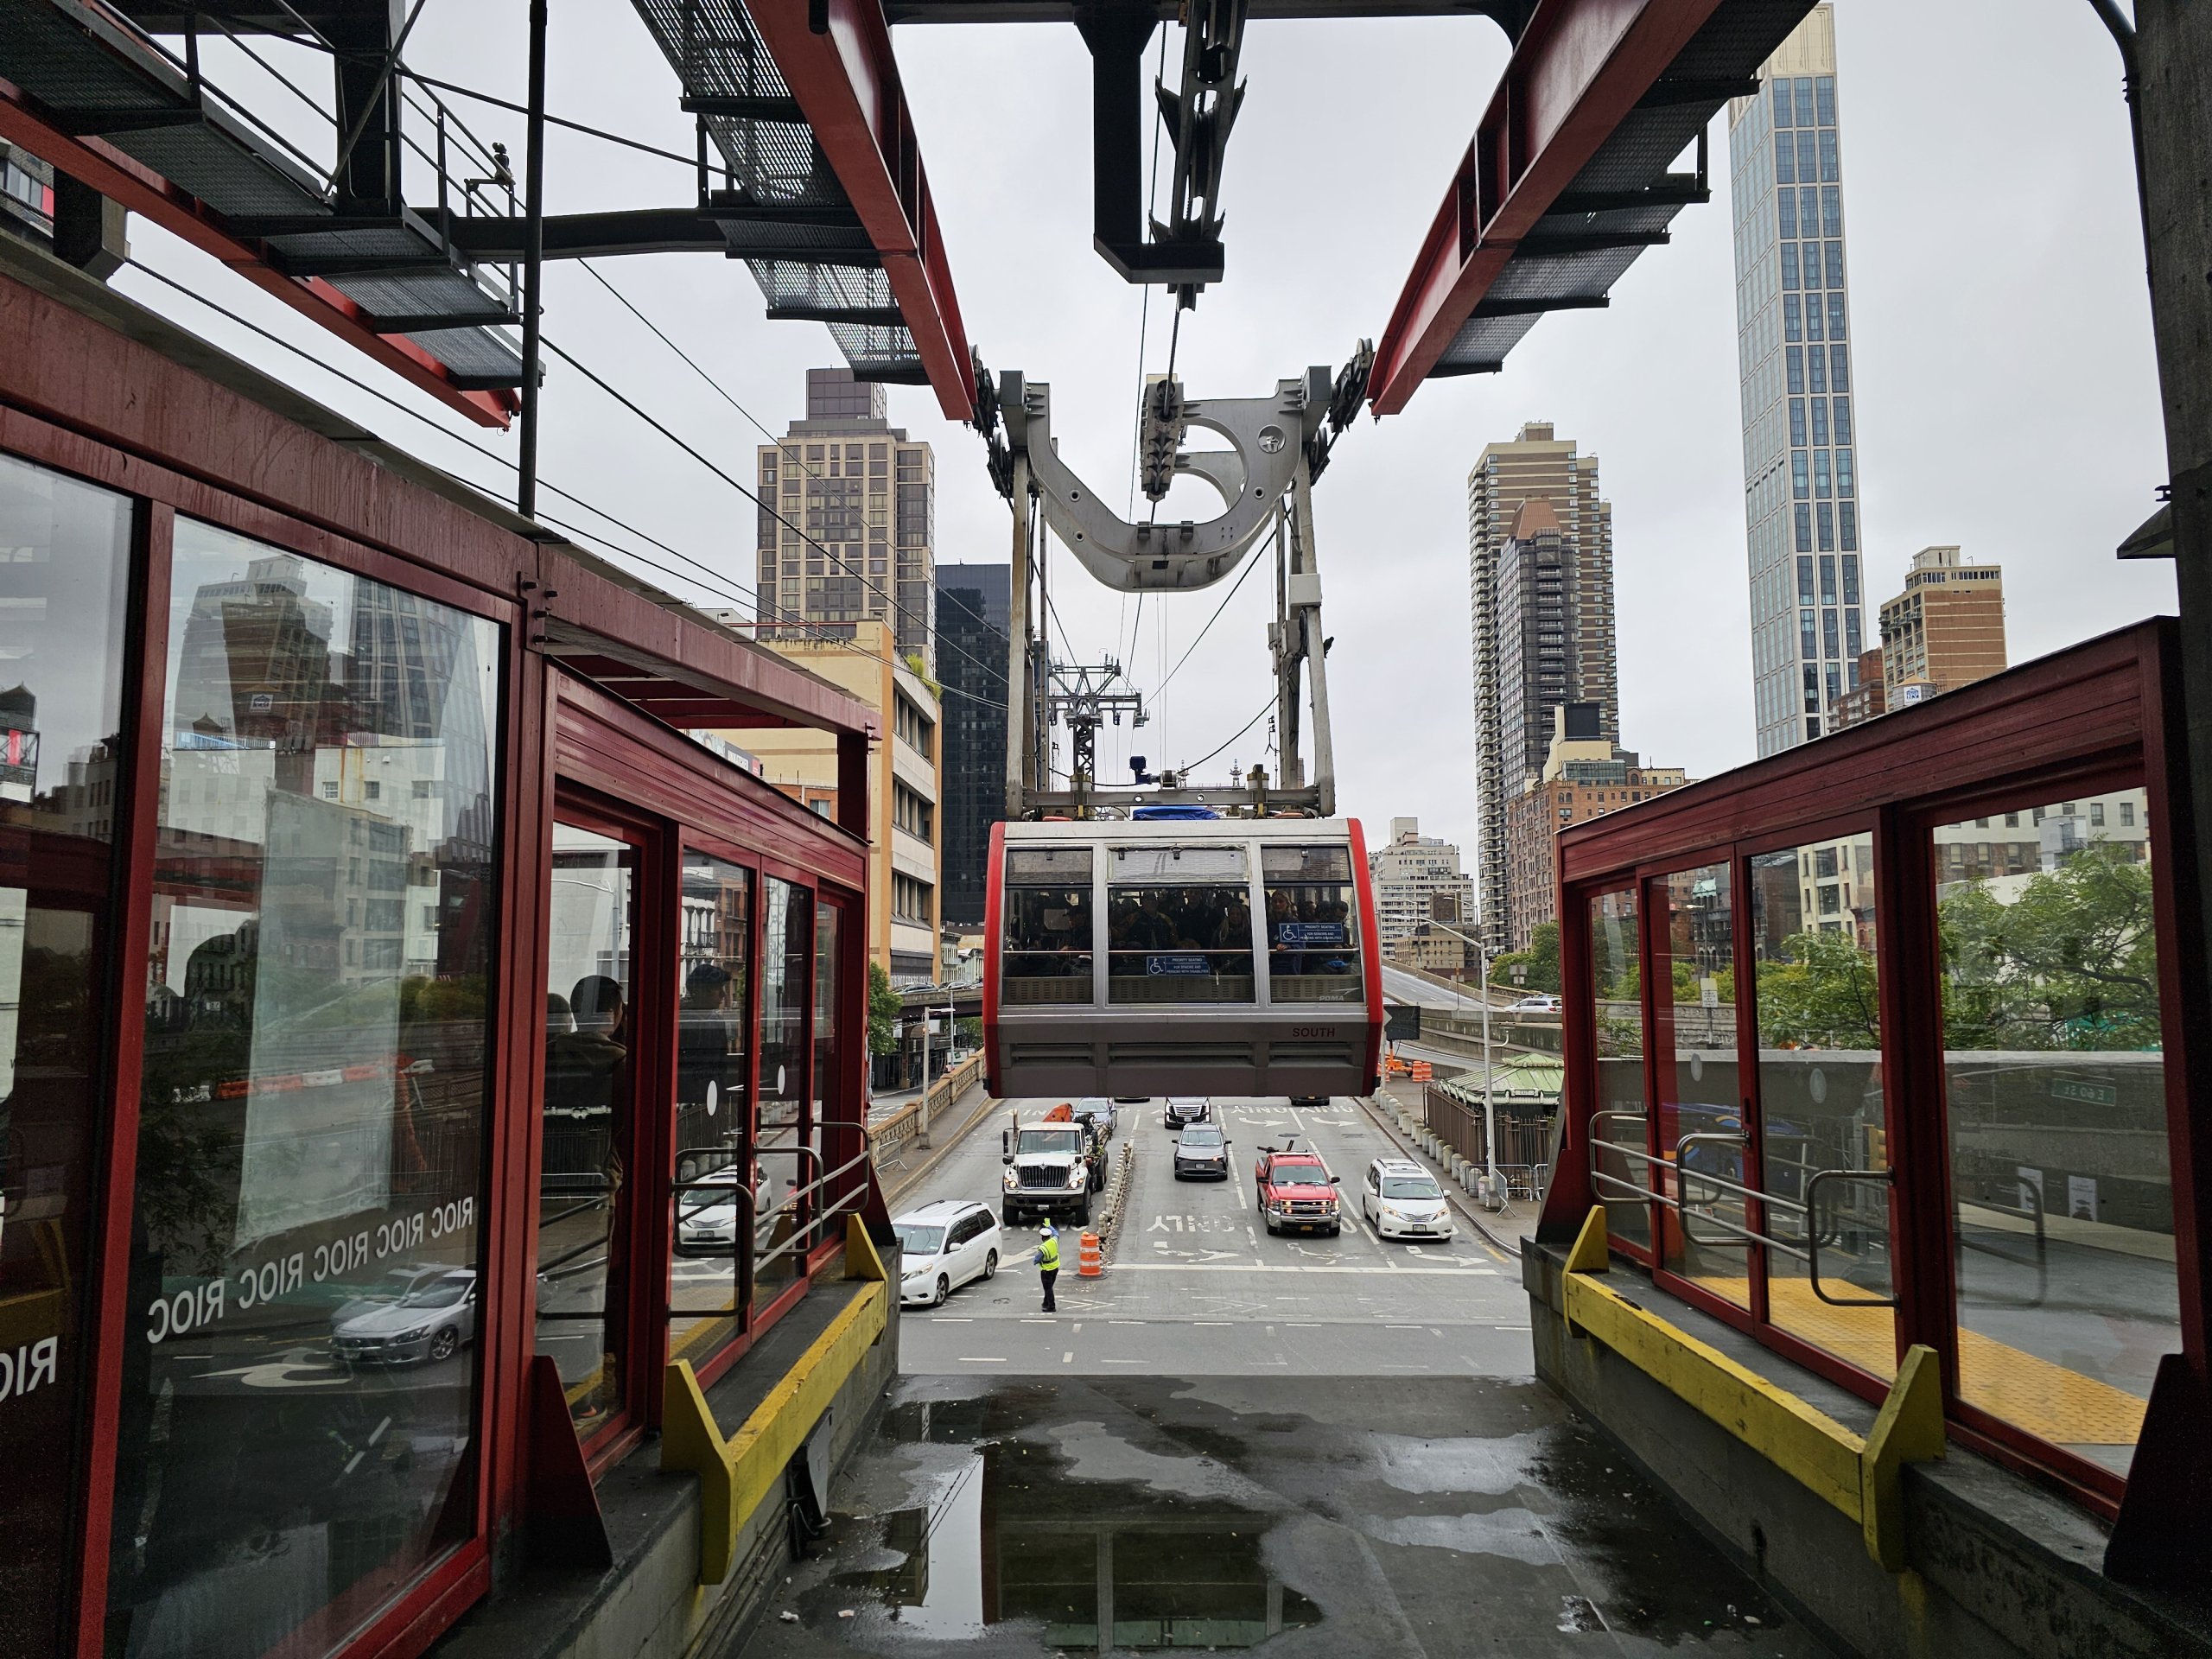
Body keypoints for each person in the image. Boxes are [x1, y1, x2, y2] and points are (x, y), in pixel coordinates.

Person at [1034, 1220, 1060, 1313]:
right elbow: (1056, 1233)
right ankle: (1046, 1303)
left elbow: (1036, 1260)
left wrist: (1035, 1261)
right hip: (1055, 1268)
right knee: (1049, 1287)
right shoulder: (1054, 1240)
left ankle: (1051, 1306)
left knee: (1048, 1288)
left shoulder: (1043, 1248)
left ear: (1042, 1237)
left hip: (1046, 1271)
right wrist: (1049, 1226)